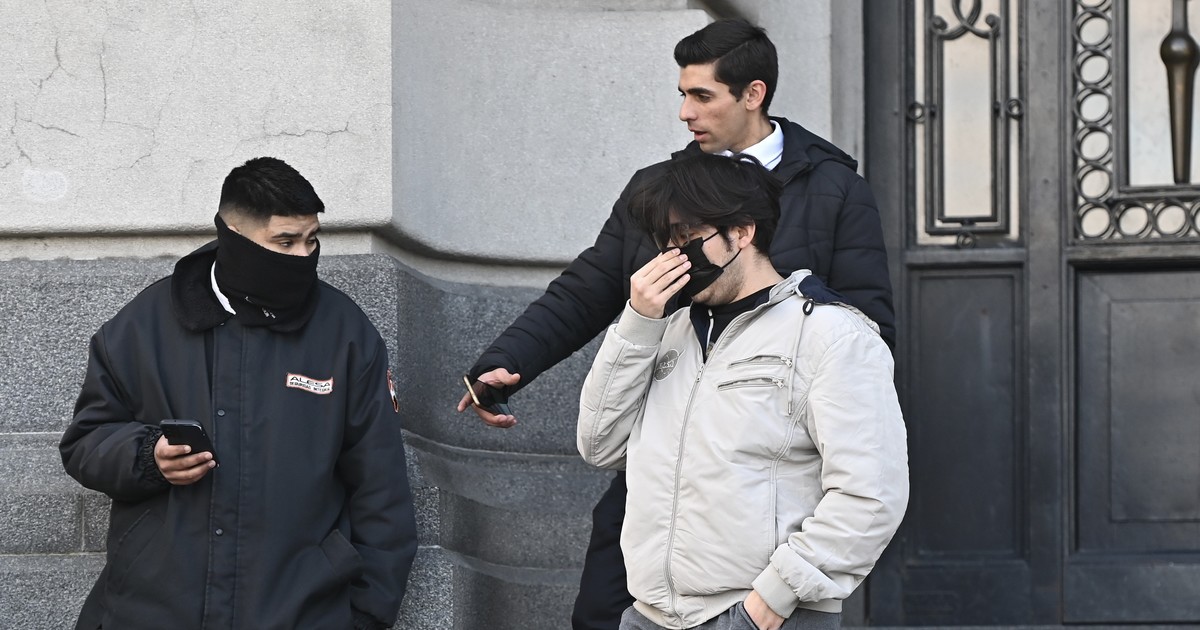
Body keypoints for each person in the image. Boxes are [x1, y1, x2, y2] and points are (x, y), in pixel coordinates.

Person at [457, 19, 895, 629]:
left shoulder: (835, 187)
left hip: (765, 470)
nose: (685, 112)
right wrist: (511, 359)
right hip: (664, 445)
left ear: (753, 94)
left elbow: (868, 327)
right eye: (682, 94)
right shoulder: (660, 191)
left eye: (701, 95)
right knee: (602, 611)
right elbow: (590, 285)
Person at [59, 157, 418, 630]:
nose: (302, 255)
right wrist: (148, 457)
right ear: (233, 236)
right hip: (155, 608)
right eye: (284, 242)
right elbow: (85, 443)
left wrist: (367, 613)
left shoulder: (345, 333)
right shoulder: (140, 327)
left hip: (299, 611)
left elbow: (381, 487)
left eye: (311, 240)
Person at [577, 152, 908, 630]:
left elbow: (872, 493)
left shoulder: (832, 335)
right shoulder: (667, 332)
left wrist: (772, 600)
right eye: (665, 242)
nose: (673, 256)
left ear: (742, 232)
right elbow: (599, 445)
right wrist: (637, 324)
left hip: (761, 615)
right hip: (650, 614)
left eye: (687, 236)